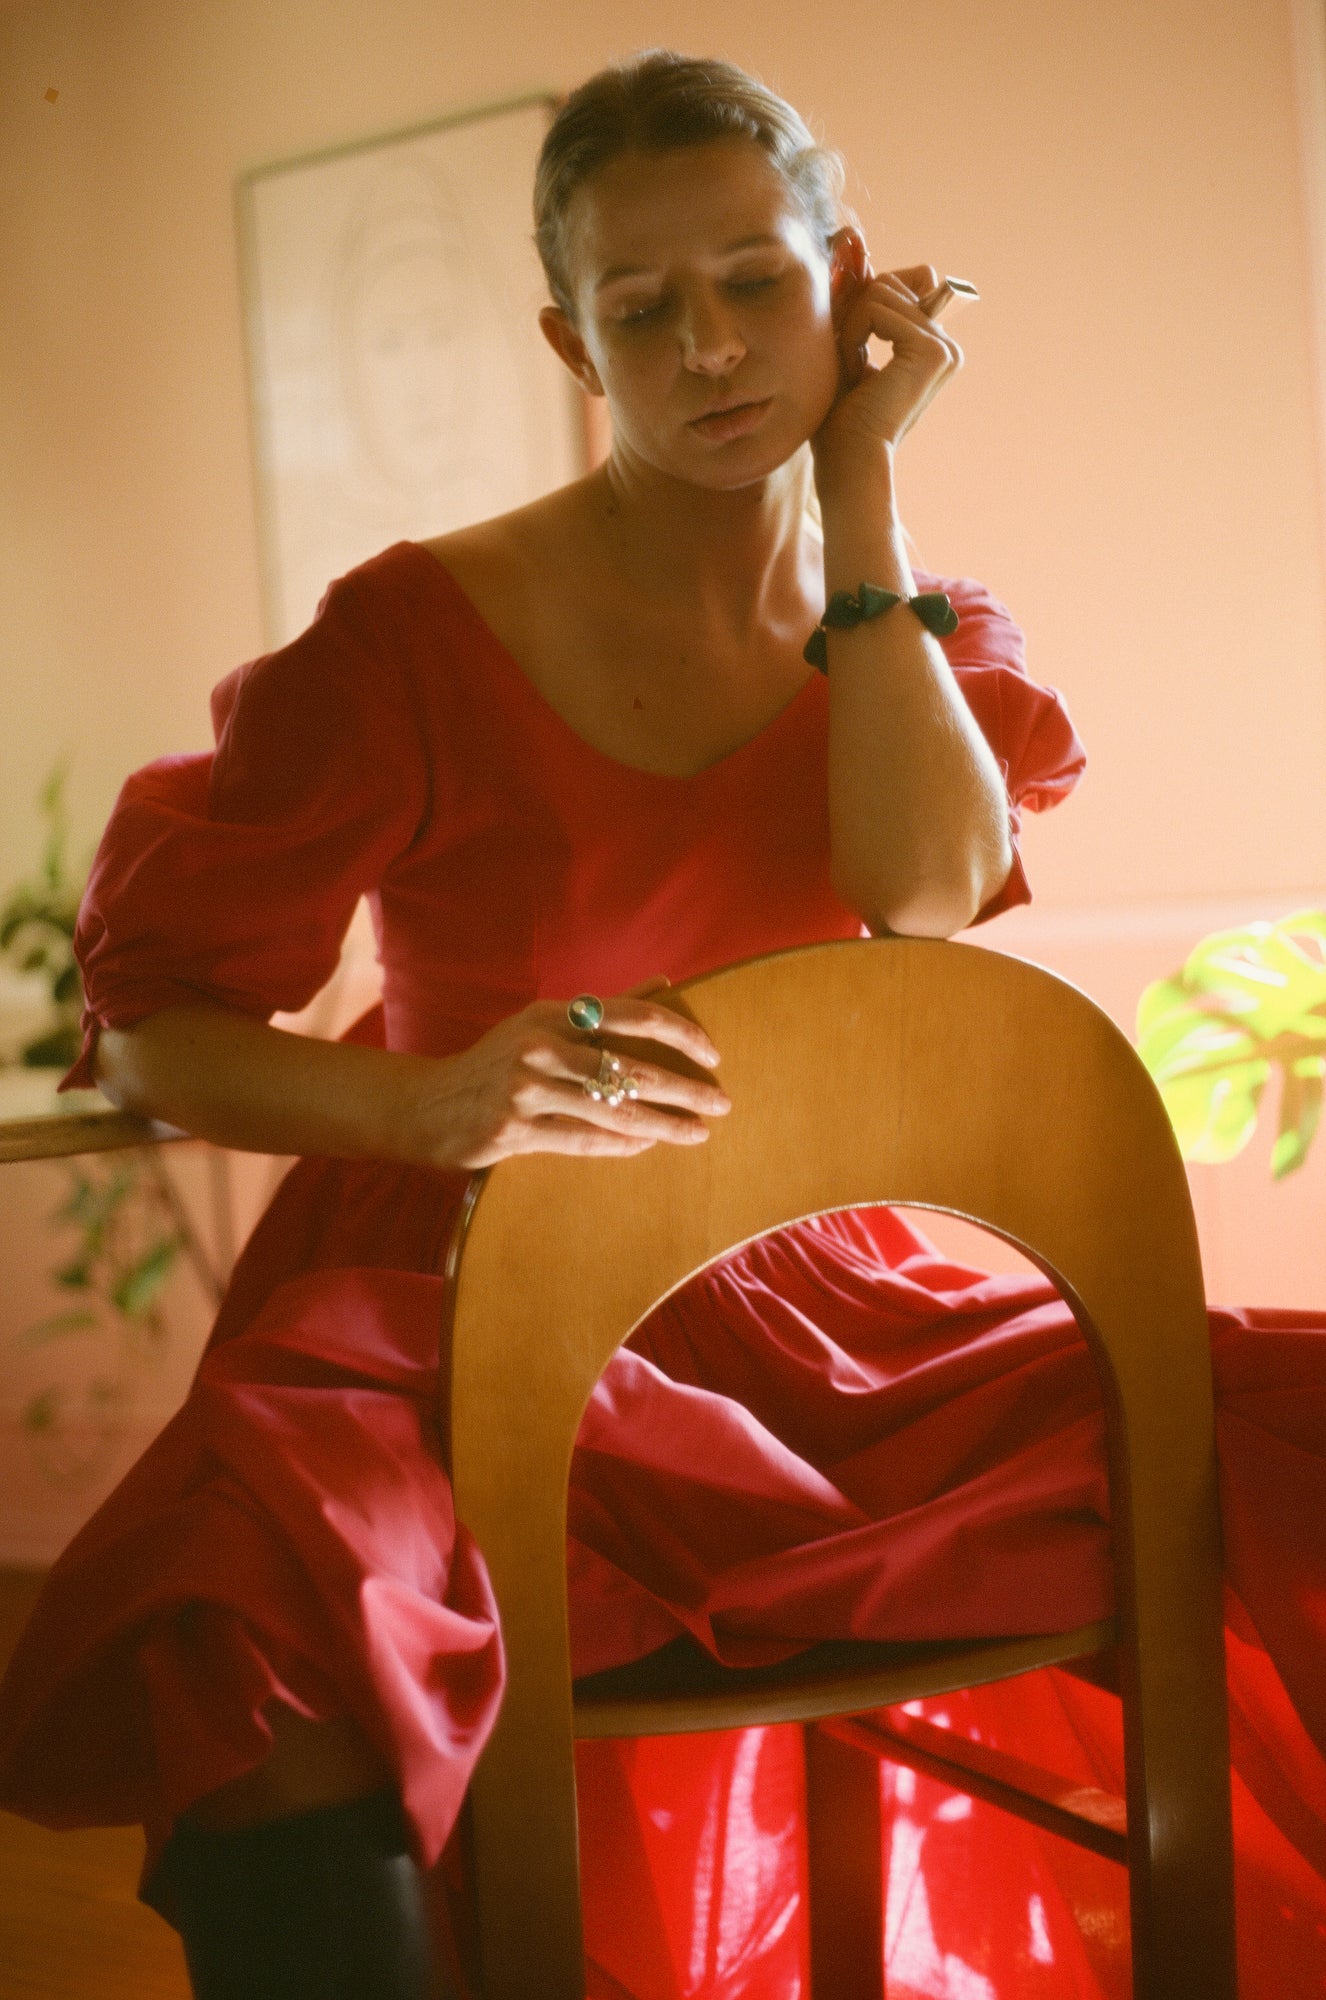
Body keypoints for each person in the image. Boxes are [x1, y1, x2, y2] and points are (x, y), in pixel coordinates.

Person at [2, 49, 1324, 2000]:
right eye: (640, 307)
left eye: (755, 282)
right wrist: (440, 1101)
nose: (707, 346)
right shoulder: (403, 636)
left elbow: (922, 898)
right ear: (572, 338)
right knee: (253, 1606)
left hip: (812, 1311)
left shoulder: (925, 628)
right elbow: (150, 1037)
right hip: (454, 1299)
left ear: (843, 281)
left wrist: (858, 487)